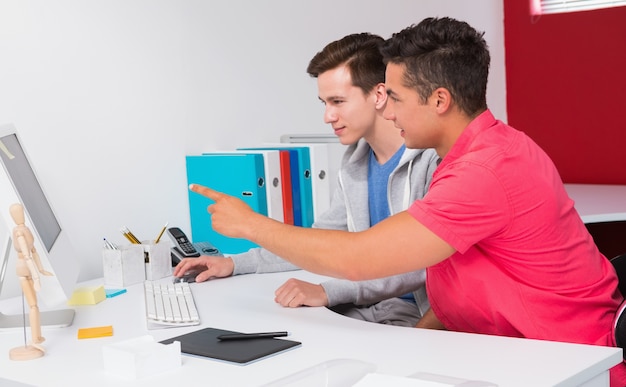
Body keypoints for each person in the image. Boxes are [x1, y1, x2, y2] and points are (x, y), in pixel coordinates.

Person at [186, 17, 626, 385]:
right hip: (505, 351)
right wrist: (415, 344)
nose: (388, 112)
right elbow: (456, 286)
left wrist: (250, 224)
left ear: (439, 100)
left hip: (569, 364)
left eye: (394, 97)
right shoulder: (471, 154)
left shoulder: (485, 171)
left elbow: (362, 258)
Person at [174, 33, 440, 327]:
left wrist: (327, 291)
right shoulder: (354, 162)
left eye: (337, 101)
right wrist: (235, 263)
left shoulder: (430, 160)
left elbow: (417, 265)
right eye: (324, 102)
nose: (328, 116)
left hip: (413, 314)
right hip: (365, 305)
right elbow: (315, 241)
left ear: (379, 95)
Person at [9, 203, 52, 360]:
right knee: (33, 305)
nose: (21, 215)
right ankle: (34, 339)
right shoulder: (19, 233)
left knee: (35, 306)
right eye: (17, 213)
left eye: (21, 211)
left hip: (31, 268)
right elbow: (26, 256)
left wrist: (41, 270)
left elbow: (33, 251)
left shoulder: (25, 229)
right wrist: (36, 277)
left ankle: (37, 338)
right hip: (24, 270)